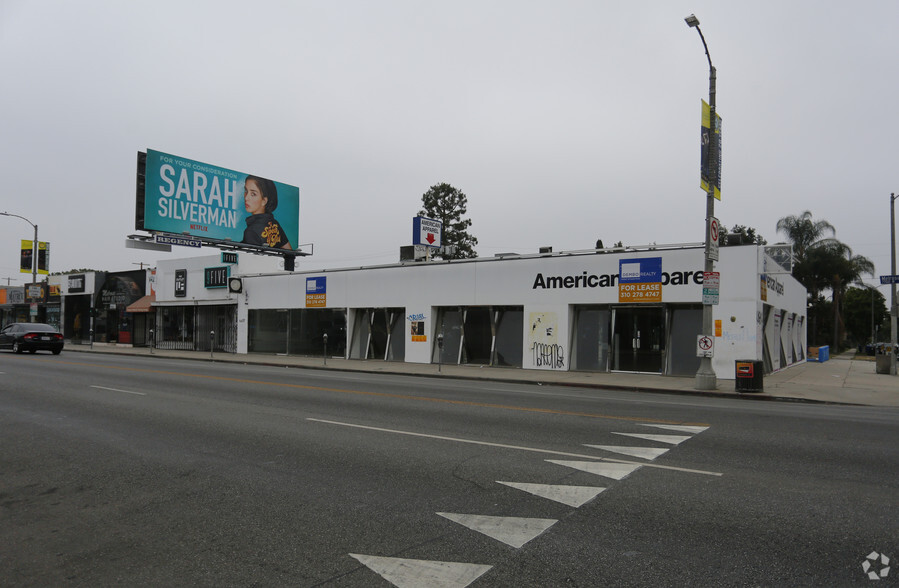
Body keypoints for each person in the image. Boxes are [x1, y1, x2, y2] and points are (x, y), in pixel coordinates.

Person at [242, 175, 292, 249]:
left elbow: (252, 259)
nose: (246, 197)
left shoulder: (251, 232)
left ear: (264, 201)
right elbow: (289, 251)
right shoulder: (274, 224)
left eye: (253, 194)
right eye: (246, 191)